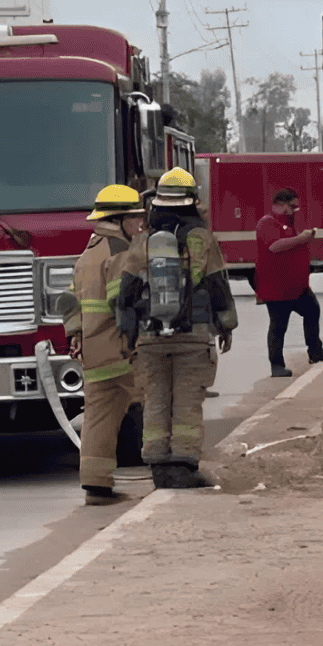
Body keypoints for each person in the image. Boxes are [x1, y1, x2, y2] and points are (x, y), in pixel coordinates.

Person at [116, 167, 238, 489]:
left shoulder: (142, 242)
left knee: (155, 401)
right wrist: (226, 326)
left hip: (148, 337)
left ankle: (158, 469)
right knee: (186, 400)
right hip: (192, 335)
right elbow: (218, 287)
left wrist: (129, 335)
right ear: (190, 202)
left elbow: (126, 293)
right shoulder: (202, 239)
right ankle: (183, 467)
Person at [66, 184, 147, 506]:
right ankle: (172, 473)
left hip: (94, 352)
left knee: (99, 419)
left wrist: (76, 336)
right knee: (161, 400)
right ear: (121, 218)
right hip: (122, 350)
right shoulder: (119, 252)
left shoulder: (87, 254)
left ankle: (96, 487)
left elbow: (69, 302)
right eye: (135, 218)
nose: (139, 224)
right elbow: (124, 303)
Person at [257, 187, 323, 377]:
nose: (295, 210)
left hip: (297, 286)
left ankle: (315, 352)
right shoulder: (267, 223)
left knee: (312, 310)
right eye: (293, 207)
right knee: (278, 326)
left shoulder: (288, 223)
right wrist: (300, 239)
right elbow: (275, 246)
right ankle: (276, 365)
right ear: (282, 205)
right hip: (277, 287)